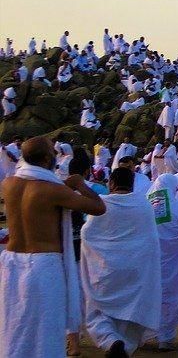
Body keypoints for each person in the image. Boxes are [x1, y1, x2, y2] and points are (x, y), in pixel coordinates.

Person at [0, 136, 104, 358]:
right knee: (47, 326)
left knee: (16, 324)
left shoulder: (8, 184)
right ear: (48, 158)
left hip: (12, 262)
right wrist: (79, 184)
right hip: (43, 265)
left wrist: (62, 187)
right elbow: (98, 207)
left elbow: (38, 197)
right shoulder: (53, 190)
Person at [80, 166, 162, 358]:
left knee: (98, 311)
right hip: (136, 271)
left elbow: (87, 233)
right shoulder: (144, 206)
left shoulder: (101, 204)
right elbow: (151, 241)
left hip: (105, 270)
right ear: (132, 184)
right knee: (131, 313)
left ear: (111, 183)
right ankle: (123, 346)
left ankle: (111, 341)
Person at [147, 172, 178, 350]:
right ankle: (166, 337)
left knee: (150, 294)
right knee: (171, 296)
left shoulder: (145, 203)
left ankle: (144, 333)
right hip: (173, 263)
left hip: (150, 262)